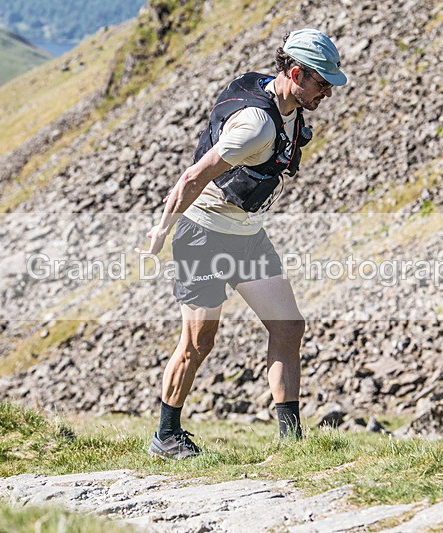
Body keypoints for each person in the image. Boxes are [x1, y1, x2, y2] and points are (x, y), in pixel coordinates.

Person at [135, 28, 348, 459]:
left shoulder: (285, 102)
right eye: (322, 82)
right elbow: (193, 176)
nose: (328, 91)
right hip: (204, 237)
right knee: (198, 343)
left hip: (248, 236)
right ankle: (166, 436)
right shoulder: (255, 126)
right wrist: (161, 232)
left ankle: (292, 445)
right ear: (295, 73)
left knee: (289, 326)